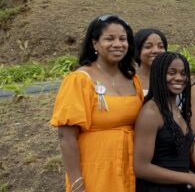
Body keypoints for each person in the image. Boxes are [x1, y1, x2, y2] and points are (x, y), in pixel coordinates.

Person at [50, 14, 142, 192]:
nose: (118, 44)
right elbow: (66, 137)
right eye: (109, 39)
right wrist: (77, 184)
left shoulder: (133, 79)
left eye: (123, 39)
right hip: (95, 173)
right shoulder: (80, 79)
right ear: (94, 44)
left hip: (131, 169)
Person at [134, 52, 195, 192]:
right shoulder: (151, 112)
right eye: (171, 73)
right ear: (158, 75)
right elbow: (141, 168)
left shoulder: (176, 109)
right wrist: (190, 178)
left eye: (183, 73)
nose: (179, 78)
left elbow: (182, 155)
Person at [134, 28, 168, 96]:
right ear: (137, 50)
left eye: (161, 47)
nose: (156, 51)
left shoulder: (172, 79)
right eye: (148, 47)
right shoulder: (127, 80)